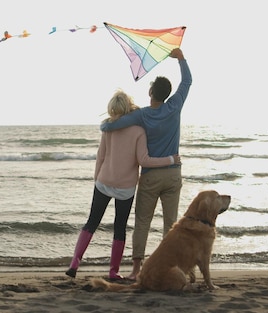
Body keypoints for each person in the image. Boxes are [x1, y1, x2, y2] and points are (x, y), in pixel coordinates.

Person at [66, 90, 181, 280]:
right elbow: (144, 160)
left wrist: (97, 179)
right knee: (119, 228)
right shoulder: (138, 131)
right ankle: (113, 271)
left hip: (104, 182)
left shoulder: (108, 129)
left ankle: (74, 263)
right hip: (125, 188)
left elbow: (100, 157)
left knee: (91, 222)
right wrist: (170, 159)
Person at [100, 48, 192, 280]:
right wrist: (180, 58)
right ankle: (170, 267)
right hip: (172, 174)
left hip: (151, 175)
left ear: (150, 92)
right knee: (171, 224)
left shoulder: (142, 115)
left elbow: (116, 123)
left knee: (142, 222)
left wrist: (104, 126)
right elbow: (188, 81)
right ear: (168, 94)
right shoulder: (175, 106)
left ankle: (136, 270)